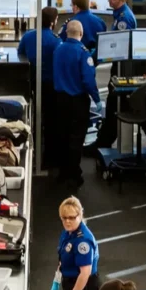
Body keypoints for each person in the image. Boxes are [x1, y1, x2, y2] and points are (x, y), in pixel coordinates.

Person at [54, 20, 98, 187]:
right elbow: (88, 80)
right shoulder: (83, 52)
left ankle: (63, 171)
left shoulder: (58, 49)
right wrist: (97, 98)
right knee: (77, 137)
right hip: (78, 101)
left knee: (63, 135)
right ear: (81, 34)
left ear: (66, 33)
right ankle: (74, 172)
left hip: (60, 99)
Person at [20, 8, 60, 164]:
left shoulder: (28, 36)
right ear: (52, 22)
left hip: (31, 82)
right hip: (50, 85)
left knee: (33, 117)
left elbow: (20, 54)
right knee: (51, 121)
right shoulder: (56, 40)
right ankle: (49, 156)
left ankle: (32, 150)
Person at [58, 196, 101, 290]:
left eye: (72, 217)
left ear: (80, 216)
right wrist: (57, 278)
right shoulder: (68, 232)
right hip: (70, 281)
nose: (67, 221)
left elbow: (85, 273)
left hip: (83, 286)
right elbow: (63, 253)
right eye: (64, 218)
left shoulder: (83, 241)